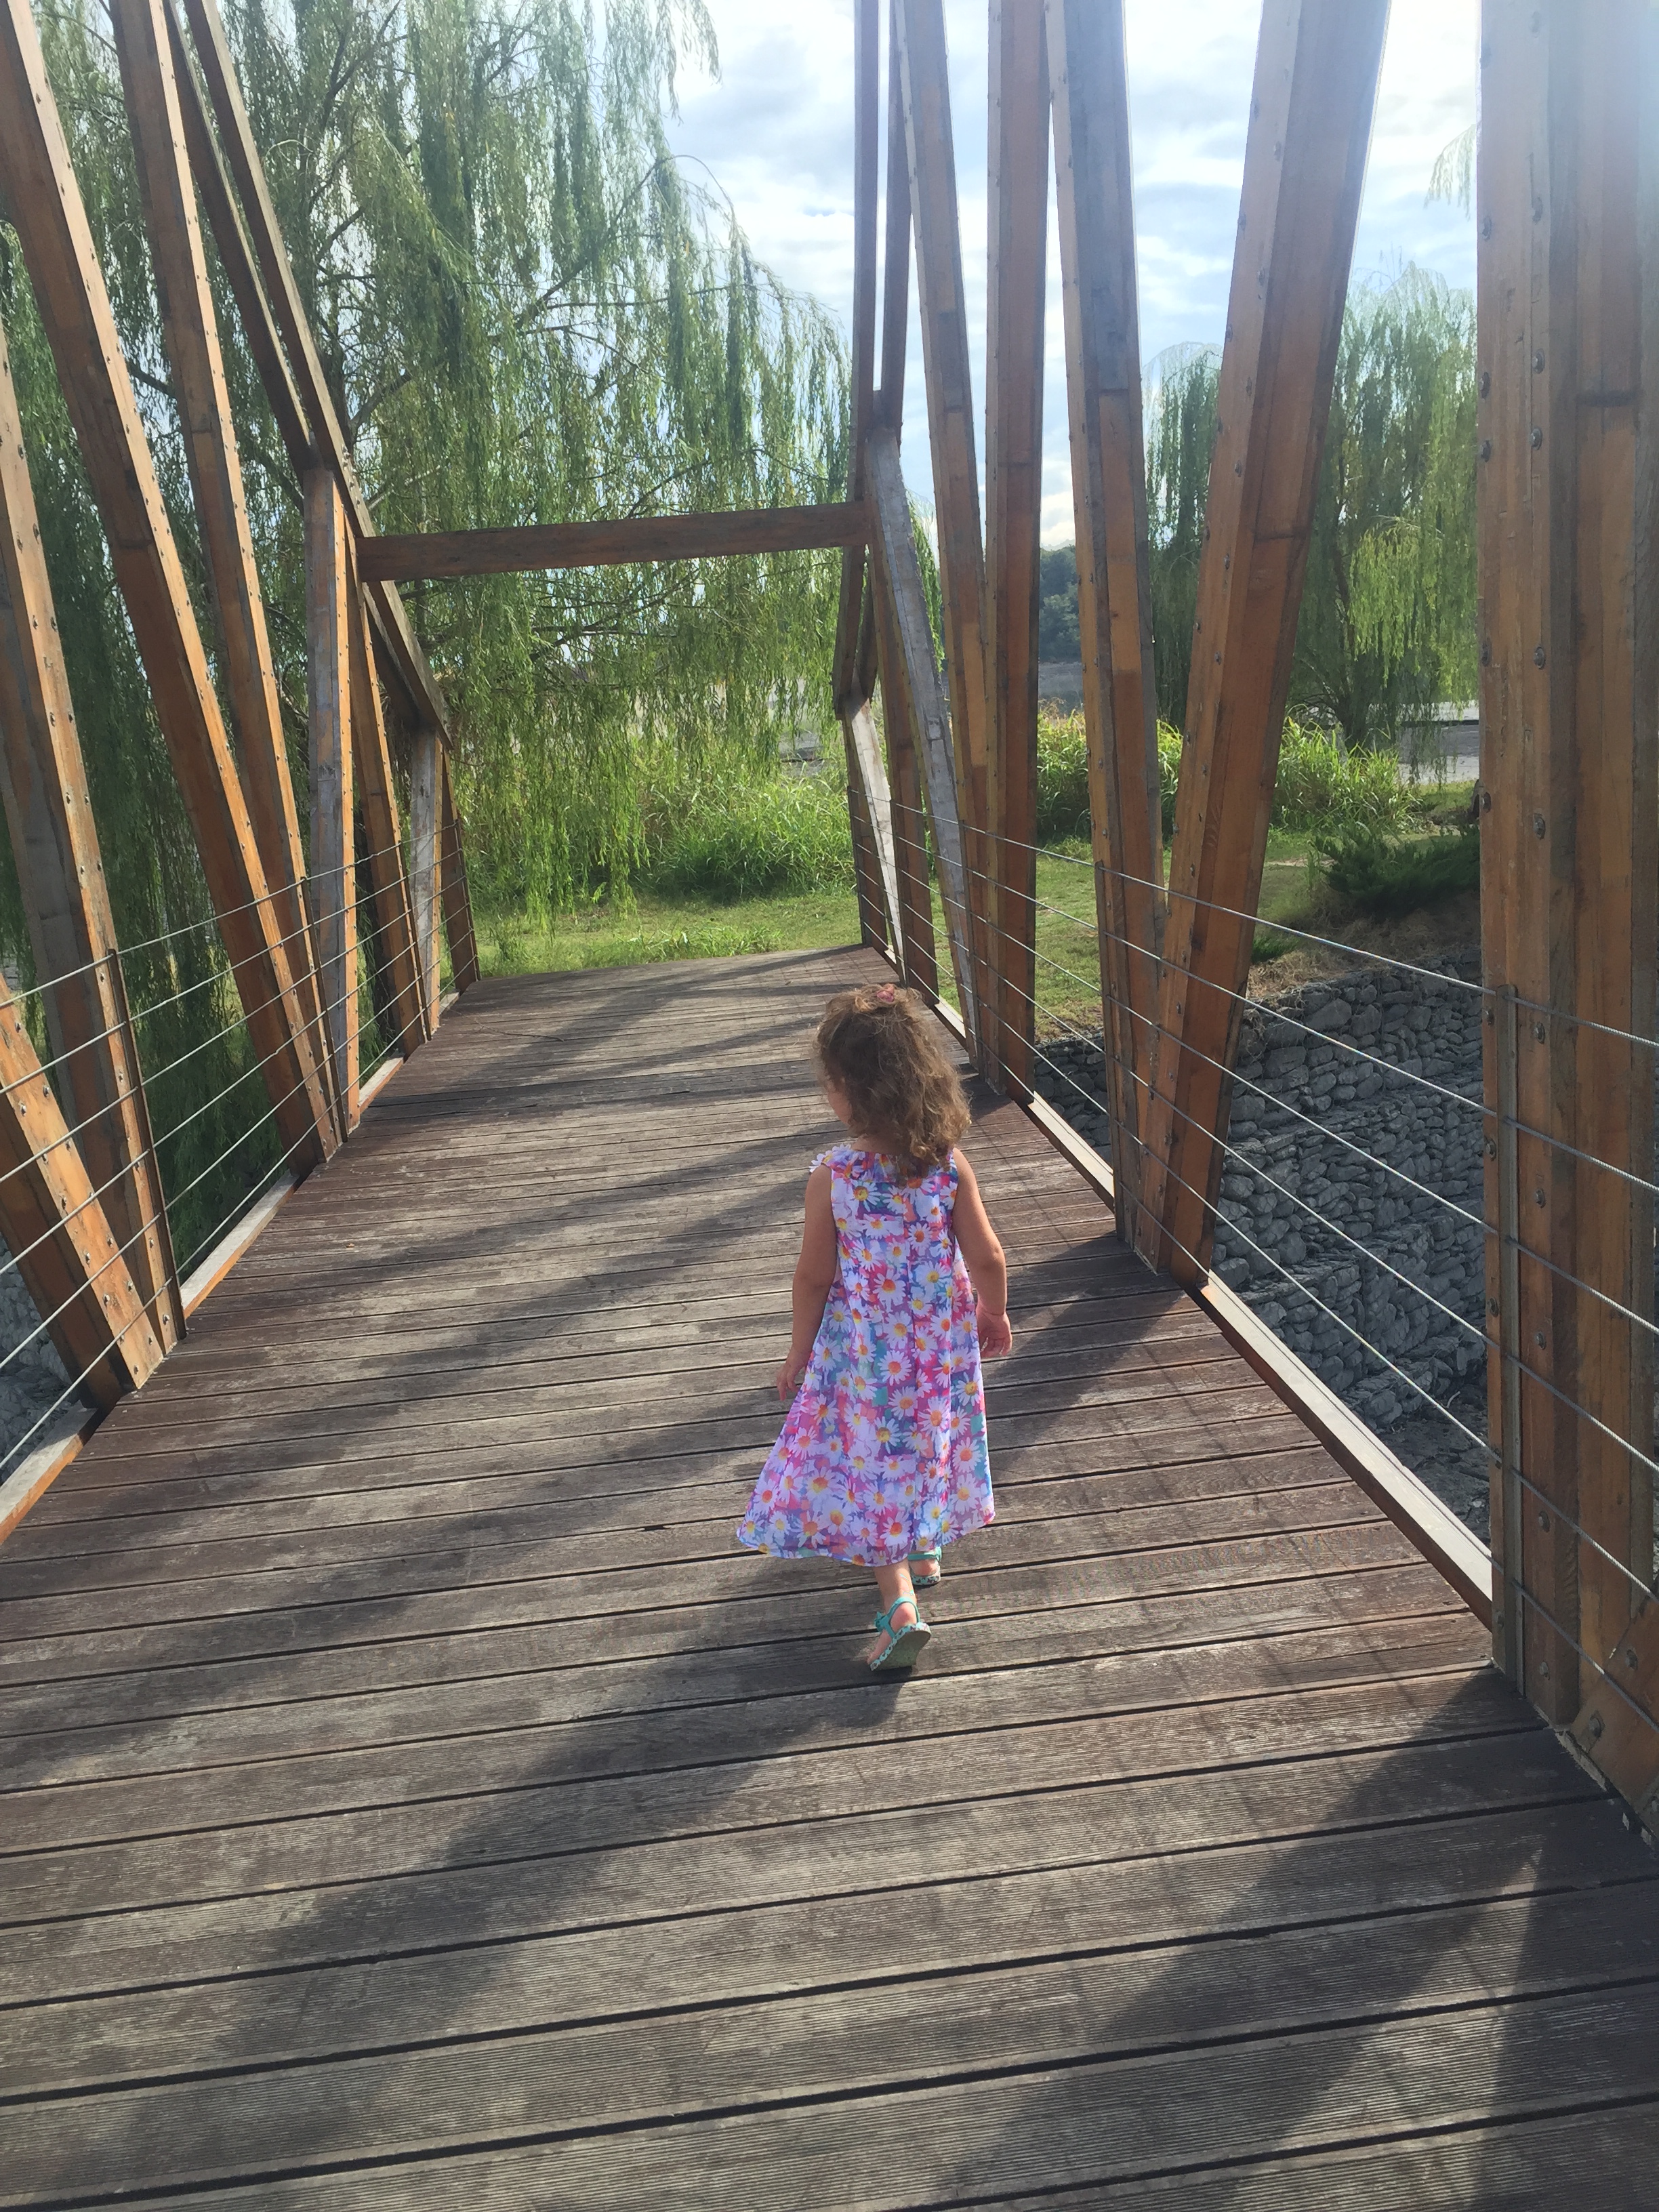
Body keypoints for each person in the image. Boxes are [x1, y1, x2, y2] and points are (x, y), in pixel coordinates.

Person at [737, 982, 1011, 1670]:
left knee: (873, 1466)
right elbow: (988, 1256)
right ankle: (925, 1547)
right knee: (928, 1439)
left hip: (866, 1358)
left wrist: (798, 1352)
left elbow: (813, 1277)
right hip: (940, 1351)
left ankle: (899, 1610)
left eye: (831, 1082)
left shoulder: (835, 1176)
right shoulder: (947, 1165)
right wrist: (994, 1310)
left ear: (849, 1092)